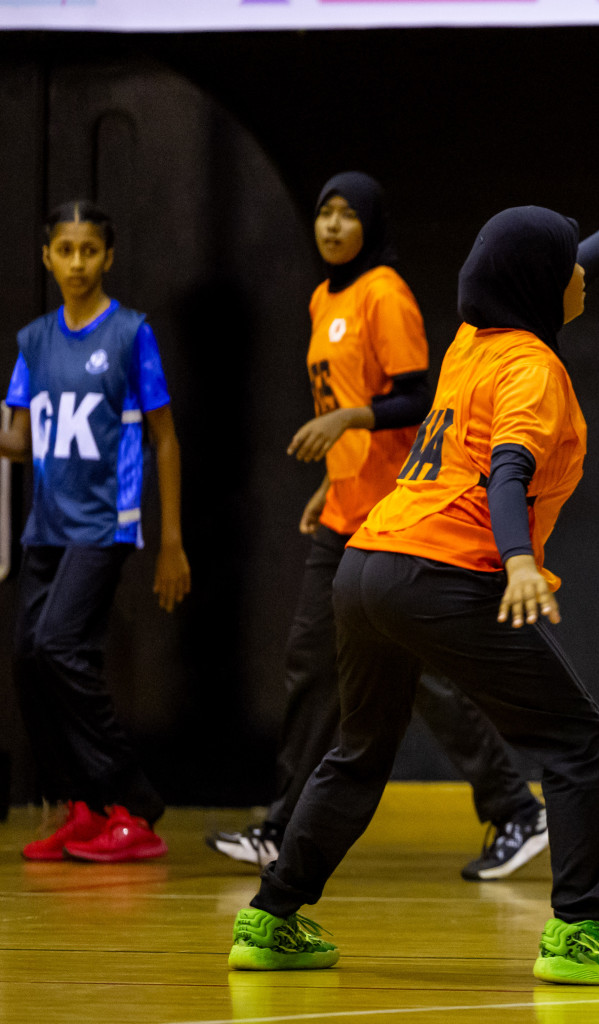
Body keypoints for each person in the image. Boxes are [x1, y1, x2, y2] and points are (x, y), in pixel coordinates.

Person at [226, 129, 599, 984]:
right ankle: (579, 933)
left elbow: (551, 262)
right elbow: (508, 470)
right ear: (545, 288)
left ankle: (268, 918)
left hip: (364, 565)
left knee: (358, 753)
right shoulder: (532, 372)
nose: (582, 273)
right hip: (442, 569)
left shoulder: (473, 341)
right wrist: (518, 560)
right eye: (571, 267)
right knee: (581, 742)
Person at [205, 172, 550, 881]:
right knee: (312, 665)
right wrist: (331, 479)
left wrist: (348, 420)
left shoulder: (384, 292)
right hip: (343, 511)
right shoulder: (321, 297)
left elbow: (412, 400)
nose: (331, 225)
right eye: (323, 211)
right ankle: (282, 825)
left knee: (420, 678)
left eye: (345, 214)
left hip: (393, 518)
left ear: (369, 223)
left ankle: (516, 808)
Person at [1, 200, 192, 863]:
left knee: (59, 647)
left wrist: (170, 541)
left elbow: (164, 439)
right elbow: (20, 439)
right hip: (46, 526)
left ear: (107, 257)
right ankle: (83, 806)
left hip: (105, 522)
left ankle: (133, 803)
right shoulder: (33, 341)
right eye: (65, 249)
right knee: (29, 658)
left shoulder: (131, 334)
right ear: (47, 256)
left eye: (89, 250)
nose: (77, 262)